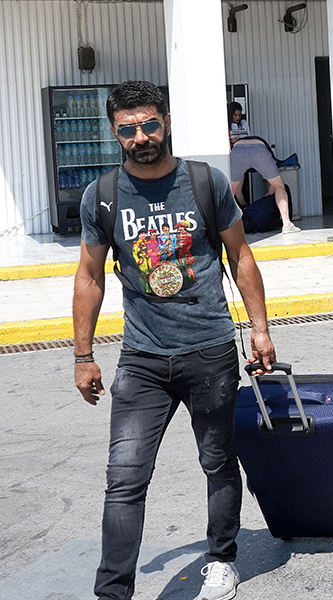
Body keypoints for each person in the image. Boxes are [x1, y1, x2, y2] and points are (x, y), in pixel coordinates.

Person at [73, 80, 279, 600]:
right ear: (115, 133)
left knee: (218, 462)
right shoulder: (102, 195)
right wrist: (83, 354)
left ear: (165, 122)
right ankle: (112, 592)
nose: (140, 137)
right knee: (125, 477)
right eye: (128, 130)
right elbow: (90, 276)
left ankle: (222, 559)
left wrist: (260, 328)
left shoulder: (205, 182)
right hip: (141, 359)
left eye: (149, 124)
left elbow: (241, 256)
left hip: (209, 350)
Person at [228, 102, 299, 234]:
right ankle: (287, 224)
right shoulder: (233, 125)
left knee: (231, 191)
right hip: (258, 147)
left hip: (237, 151)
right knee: (279, 186)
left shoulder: (239, 124)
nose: (238, 117)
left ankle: (225, 228)